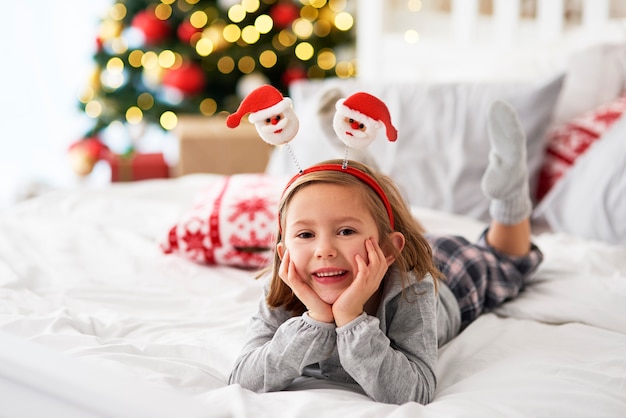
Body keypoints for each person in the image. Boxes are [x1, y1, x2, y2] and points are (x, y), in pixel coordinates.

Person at [228, 100, 544, 405]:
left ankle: (509, 195)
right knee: (387, 219)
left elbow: (414, 392)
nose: (324, 250)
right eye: (305, 234)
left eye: (345, 231)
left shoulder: (412, 291)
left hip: (448, 275)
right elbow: (243, 379)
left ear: (389, 248)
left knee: (505, 259)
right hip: (395, 244)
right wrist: (317, 319)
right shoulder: (281, 290)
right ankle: (365, 172)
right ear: (284, 252)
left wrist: (351, 318)